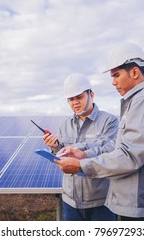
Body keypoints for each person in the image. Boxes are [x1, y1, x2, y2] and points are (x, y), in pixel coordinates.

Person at [55, 42, 144, 221]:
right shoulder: (136, 102)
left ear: (134, 72)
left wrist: (81, 165)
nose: (113, 82)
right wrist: (83, 153)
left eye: (116, 75)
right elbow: (113, 146)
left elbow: (129, 156)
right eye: (70, 99)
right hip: (133, 204)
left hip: (142, 206)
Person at [43, 73, 118, 221]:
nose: (75, 102)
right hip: (70, 201)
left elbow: (111, 151)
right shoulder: (65, 125)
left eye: (79, 97)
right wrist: (56, 147)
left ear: (91, 95)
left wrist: (82, 154)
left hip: (100, 201)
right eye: (71, 99)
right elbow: (62, 155)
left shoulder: (109, 121)